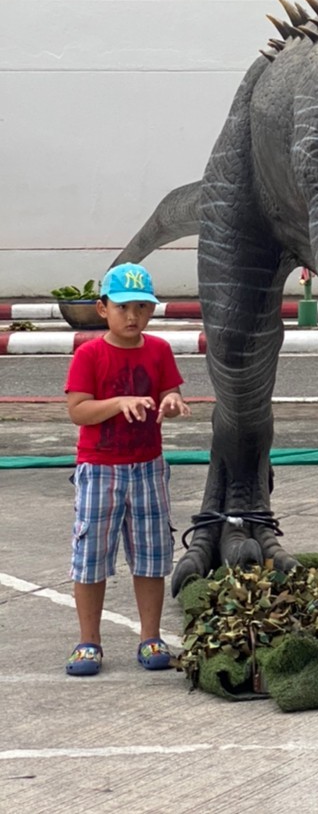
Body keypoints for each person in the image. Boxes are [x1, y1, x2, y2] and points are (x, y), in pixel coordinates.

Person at [63, 262, 190, 676]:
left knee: (151, 554)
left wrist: (171, 402)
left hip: (148, 468)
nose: (133, 316)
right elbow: (78, 410)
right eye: (123, 307)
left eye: (142, 307)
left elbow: (168, 390)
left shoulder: (158, 350)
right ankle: (89, 641)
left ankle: (150, 636)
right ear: (102, 309)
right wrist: (119, 403)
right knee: (92, 556)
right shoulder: (90, 354)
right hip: (100, 469)